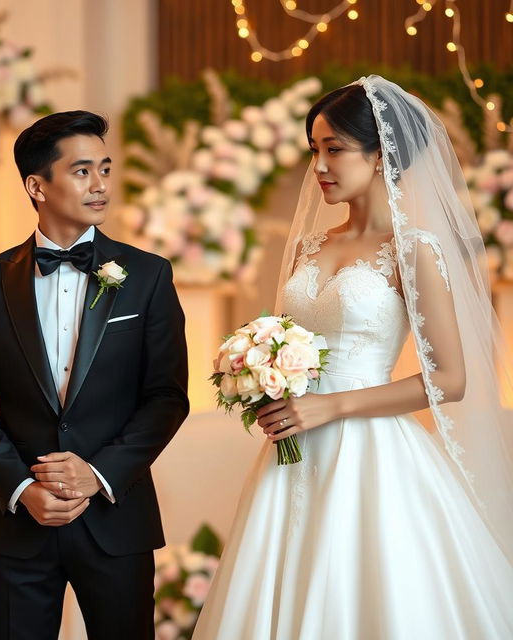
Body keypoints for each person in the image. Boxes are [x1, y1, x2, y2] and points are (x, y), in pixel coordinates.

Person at [193, 76, 513, 639]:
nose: (319, 165)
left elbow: (451, 379)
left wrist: (332, 405)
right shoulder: (308, 247)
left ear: (379, 154)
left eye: (334, 148)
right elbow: (283, 337)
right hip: (291, 449)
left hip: (371, 450)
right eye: (314, 149)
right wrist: (261, 379)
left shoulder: (413, 249)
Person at [0, 110, 189, 640]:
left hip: (115, 520)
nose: (101, 184)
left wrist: (97, 474)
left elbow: (167, 397)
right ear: (37, 185)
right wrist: (20, 486)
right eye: (82, 171)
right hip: (16, 525)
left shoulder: (148, 276)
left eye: (104, 168)